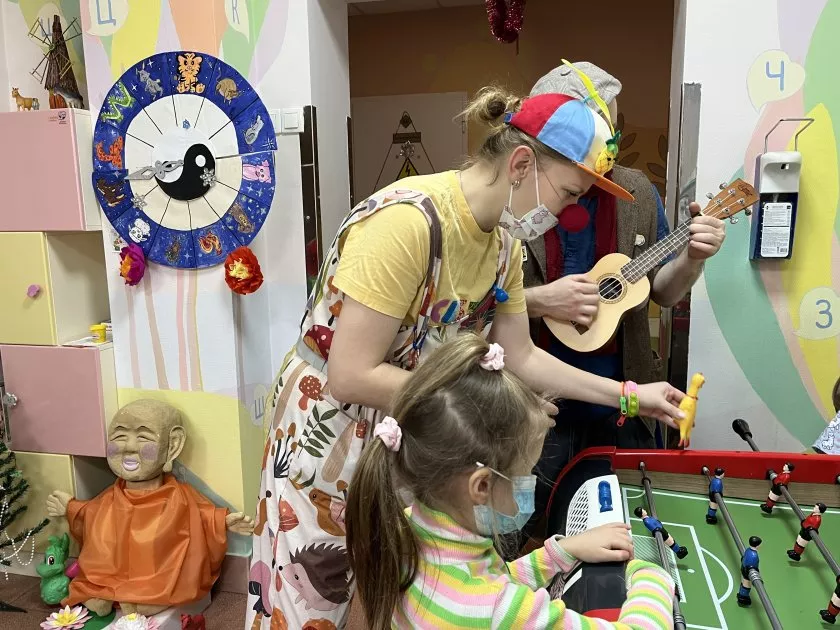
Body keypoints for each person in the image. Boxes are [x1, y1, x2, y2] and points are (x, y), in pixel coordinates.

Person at [246, 84, 688, 627]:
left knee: (401, 588)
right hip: (331, 428)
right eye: (570, 194)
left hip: (414, 423)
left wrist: (629, 396)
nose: (569, 212)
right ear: (521, 165)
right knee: (311, 591)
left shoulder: (504, 245)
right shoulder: (406, 224)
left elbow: (521, 355)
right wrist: (484, 407)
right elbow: (352, 375)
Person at [346, 335, 675, 629]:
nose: (530, 481)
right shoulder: (495, 609)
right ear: (482, 486)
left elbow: (490, 581)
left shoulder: (407, 528)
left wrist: (560, 552)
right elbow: (495, 603)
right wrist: (652, 576)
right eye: (527, 472)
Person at [522, 61, 726, 529]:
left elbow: (662, 293)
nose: (608, 141)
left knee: (628, 524)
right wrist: (541, 299)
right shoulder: (524, 197)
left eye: (611, 126)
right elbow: (481, 304)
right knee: (534, 527)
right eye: (597, 128)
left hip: (625, 400)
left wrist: (693, 259)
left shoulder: (636, 192)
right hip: (535, 403)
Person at [738, 536, 762, 606]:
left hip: (744, 568)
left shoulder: (748, 550)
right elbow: (753, 566)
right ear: (757, 546)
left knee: (743, 582)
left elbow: (743, 557)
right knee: (747, 584)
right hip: (748, 572)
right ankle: (743, 597)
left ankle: (741, 594)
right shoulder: (754, 555)